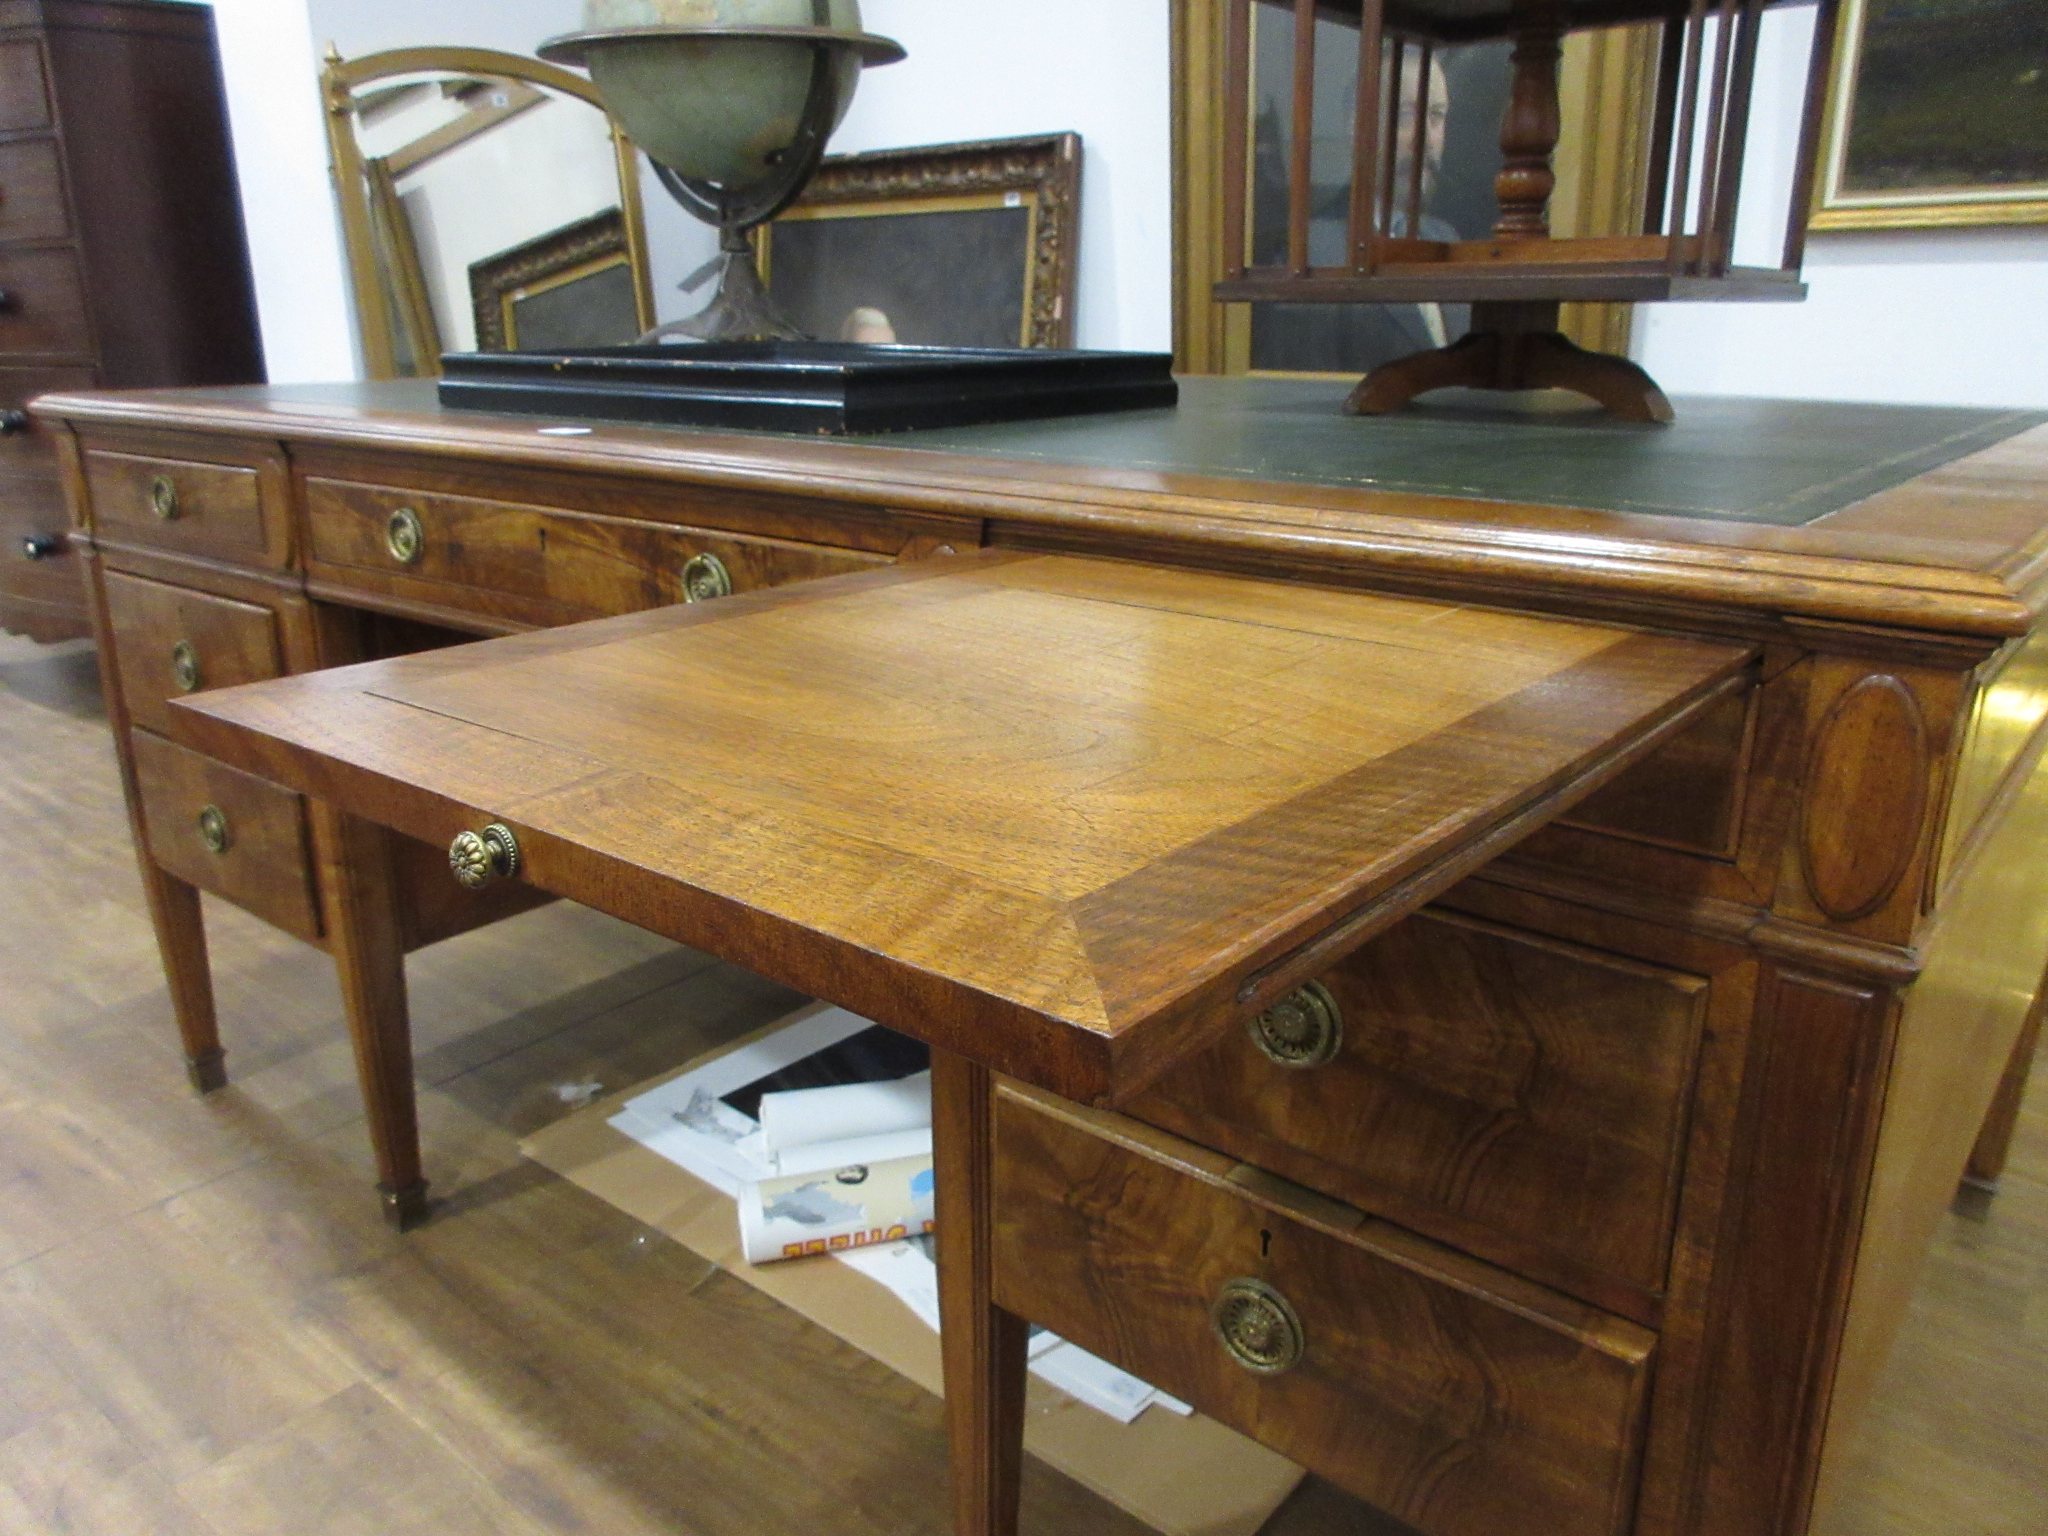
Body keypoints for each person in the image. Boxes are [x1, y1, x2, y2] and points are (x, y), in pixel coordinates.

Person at [1249, 50, 1470, 374]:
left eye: (1436, 116)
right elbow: (1302, 408)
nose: (1425, 138)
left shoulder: (1447, 240)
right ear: (1357, 126)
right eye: (1404, 117)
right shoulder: (1310, 255)